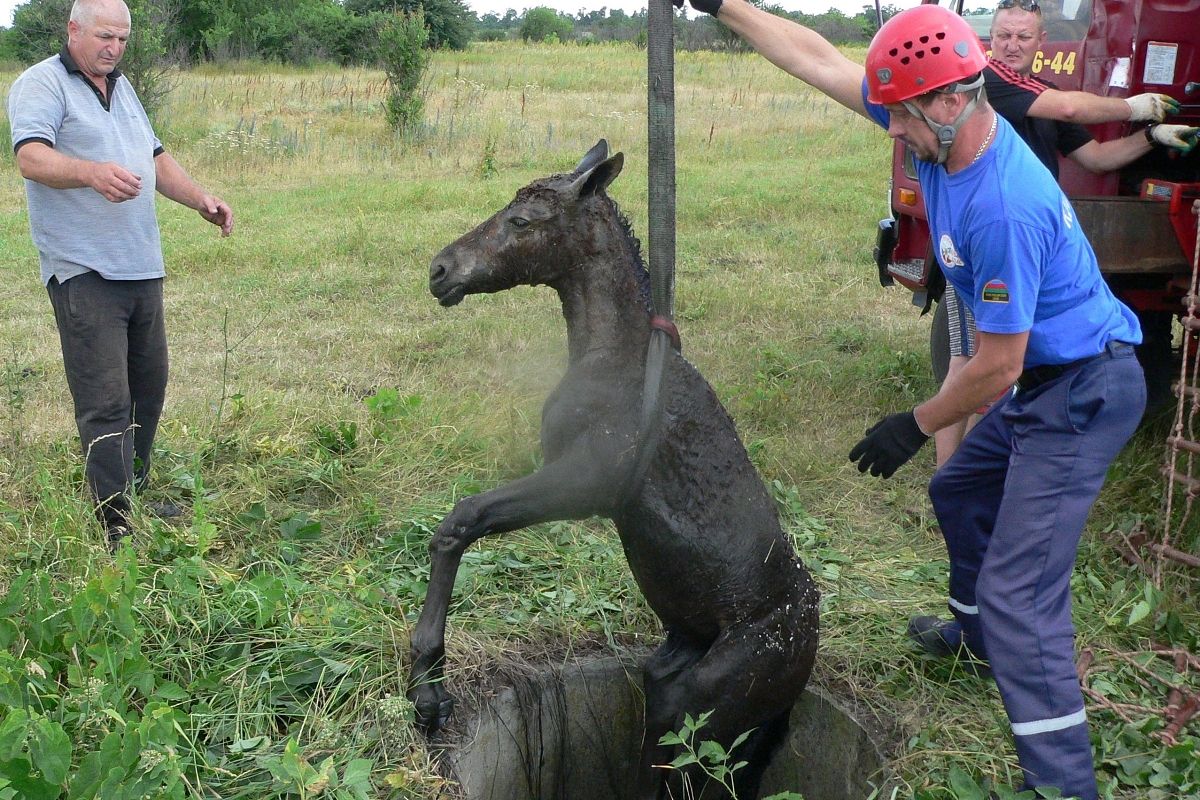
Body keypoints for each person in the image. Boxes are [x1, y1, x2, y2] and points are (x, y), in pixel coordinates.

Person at [677, 1, 1146, 797]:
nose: (890, 132)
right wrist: (724, 4)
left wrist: (914, 422)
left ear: (948, 101)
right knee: (958, 487)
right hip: (1044, 381)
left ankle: (1063, 783)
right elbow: (814, 57)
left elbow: (997, 367)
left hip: (1086, 390)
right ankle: (974, 637)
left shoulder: (1003, 203)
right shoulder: (933, 112)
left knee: (1021, 595)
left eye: (899, 118)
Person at [7, 0, 234, 552]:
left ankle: (132, 491)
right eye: (105, 36)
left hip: (140, 265)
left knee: (148, 388)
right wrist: (89, 172)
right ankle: (114, 523)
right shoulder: (41, 84)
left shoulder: (123, 88)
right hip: (83, 268)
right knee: (105, 397)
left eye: (123, 40)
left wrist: (198, 199)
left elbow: (154, 158)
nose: (114, 48)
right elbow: (30, 158)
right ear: (74, 30)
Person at [934, 0, 1199, 465]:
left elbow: (1096, 158)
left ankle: (978, 473)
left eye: (1022, 37)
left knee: (999, 366)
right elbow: (1073, 106)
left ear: (1041, 42)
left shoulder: (1039, 92)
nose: (1011, 45)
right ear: (988, 40)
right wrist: (1133, 106)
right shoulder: (987, 84)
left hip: (1032, 247)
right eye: (1003, 36)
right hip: (983, 243)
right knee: (969, 362)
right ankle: (949, 473)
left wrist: (1150, 137)